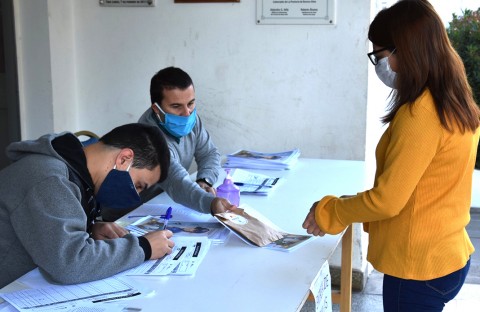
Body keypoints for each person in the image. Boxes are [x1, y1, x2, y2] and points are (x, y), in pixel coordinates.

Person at [302, 1, 480, 311]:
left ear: (406, 51)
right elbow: (419, 187)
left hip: (417, 270)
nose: (379, 66)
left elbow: (387, 200)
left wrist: (329, 211)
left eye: (380, 55)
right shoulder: (454, 101)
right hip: (450, 255)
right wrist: (348, 202)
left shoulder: (421, 114)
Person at [0, 123, 176, 288]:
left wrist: (90, 229)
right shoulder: (49, 178)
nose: (136, 194)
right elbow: (69, 264)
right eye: (139, 185)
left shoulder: (74, 174)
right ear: (124, 159)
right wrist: (143, 247)